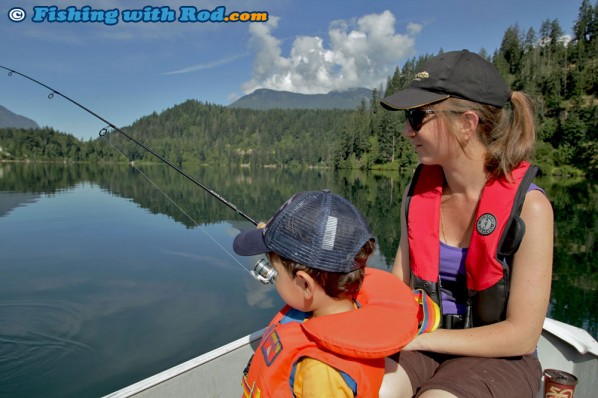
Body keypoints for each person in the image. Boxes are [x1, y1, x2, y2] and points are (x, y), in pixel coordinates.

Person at [378, 50, 554, 398]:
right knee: (371, 389)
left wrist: (419, 339)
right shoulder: (417, 196)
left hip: (501, 356)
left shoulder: (531, 209)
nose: (405, 131)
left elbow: (522, 334)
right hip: (424, 341)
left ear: (467, 123)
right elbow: (397, 289)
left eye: (417, 117)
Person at [233, 189, 429, 398]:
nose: (274, 278)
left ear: (306, 285)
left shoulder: (321, 371)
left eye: (276, 272)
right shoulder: (336, 308)